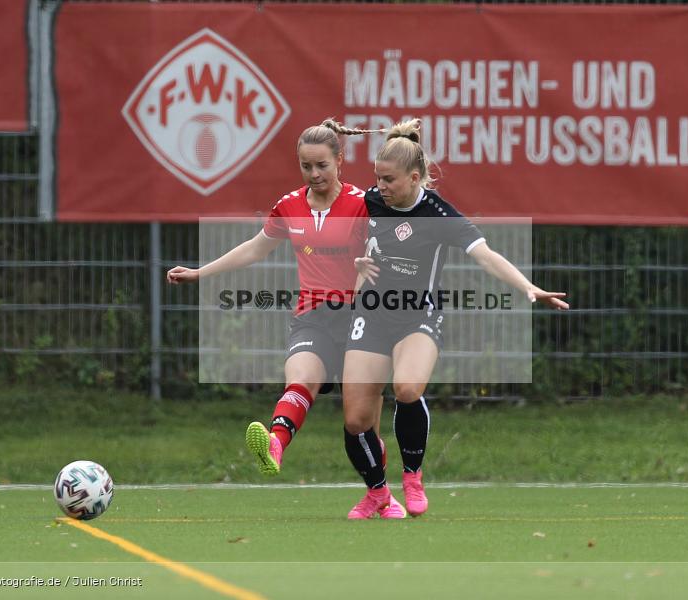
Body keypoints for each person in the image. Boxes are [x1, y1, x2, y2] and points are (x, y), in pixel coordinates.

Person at [342, 119, 569, 520]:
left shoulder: (439, 214)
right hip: (372, 313)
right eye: (377, 178)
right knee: (356, 419)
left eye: (389, 179)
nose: (381, 186)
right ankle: (377, 493)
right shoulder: (371, 200)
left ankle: (413, 476)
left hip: (418, 315)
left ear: (415, 178)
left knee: (407, 388)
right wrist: (355, 264)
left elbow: (486, 256)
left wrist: (527, 287)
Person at [168, 121, 397, 514]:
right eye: (306, 166)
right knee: (301, 379)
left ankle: (379, 493)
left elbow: (387, 253)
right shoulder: (289, 205)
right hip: (312, 316)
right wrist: (200, 272)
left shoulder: (363, 204)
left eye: (322, 165)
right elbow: (255, 249)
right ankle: (275, 443)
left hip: (361, 320)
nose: (314, 174)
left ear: (340, 161)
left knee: (361, 424)